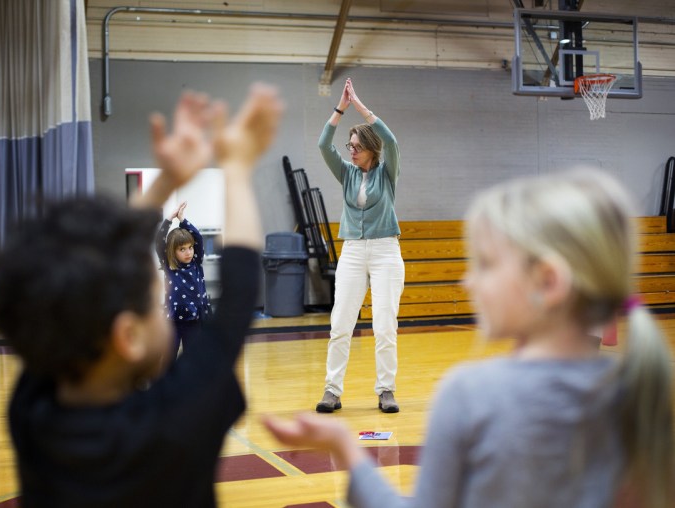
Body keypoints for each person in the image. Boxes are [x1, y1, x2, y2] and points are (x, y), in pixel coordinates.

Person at [265, 169, 675, 508]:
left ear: (548, 281)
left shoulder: (469, 395)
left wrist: (346, 451)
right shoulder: (646, 395)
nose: (468, 279)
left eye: (487, 264)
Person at [0, 84, 283, 506]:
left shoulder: (32, 410)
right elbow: (240, 296)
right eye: (151, 299)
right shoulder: (177, 420)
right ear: (128, 335)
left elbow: (99, 263)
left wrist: (165, 183)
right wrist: (235, 169)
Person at [316, 78, 405, 413]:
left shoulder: (387, 172)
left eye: (356, 146)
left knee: (384, 326)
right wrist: (340, 108)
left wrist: (362, 107)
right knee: (340, 324)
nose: (350, 150)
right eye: (349, 145)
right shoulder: (347, 174)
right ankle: (332, 391)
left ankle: (386, 390)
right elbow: (325, 145)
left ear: (370, 148)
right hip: (353, 251)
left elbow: (392, 141)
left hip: (385, 251)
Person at [156, 200, 211, 354]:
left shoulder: (196, 263)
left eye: (190, 248)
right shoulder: (169, 265)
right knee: (168, 357)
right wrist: (169, 220)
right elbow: (159, 242)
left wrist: (183, 221)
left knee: (193, 357)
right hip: (172, 321)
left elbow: (198, 237)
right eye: (182, 249)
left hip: (194, 319)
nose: (188, 252)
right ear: (172, 252)